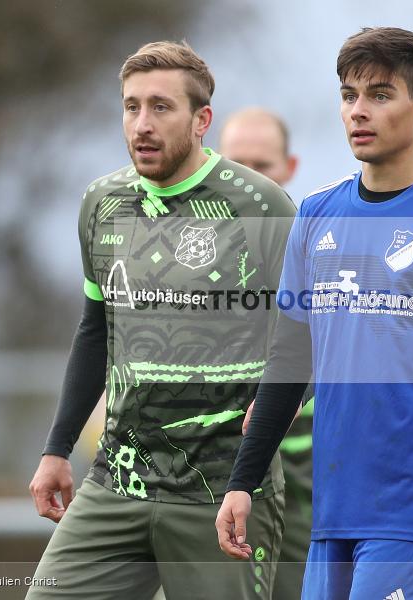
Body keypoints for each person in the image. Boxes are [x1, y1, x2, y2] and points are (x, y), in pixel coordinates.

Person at [216, 27, 413, 600]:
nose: (358, 111)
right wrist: (244, 481)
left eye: (380, 95)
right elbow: (291, 360)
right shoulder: (316, 214)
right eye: (349, 95)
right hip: (334, 513)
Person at [26, 41, 296, 599]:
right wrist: (57, 448)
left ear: (202, 120)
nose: (142, 124)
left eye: (161, 107)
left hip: (221, 493)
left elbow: (308, 337)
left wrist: (277, 414)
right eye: (132, 107)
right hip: (117, 483)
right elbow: (95, 331)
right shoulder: (102, 203)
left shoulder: (261, 206)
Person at [220, 108, 312, 600]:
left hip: (305, 479)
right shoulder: (190, 255)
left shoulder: (315, 251)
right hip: (206, 472)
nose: (251, 178)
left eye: (263, 165)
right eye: (238, 165)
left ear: (290, 168)